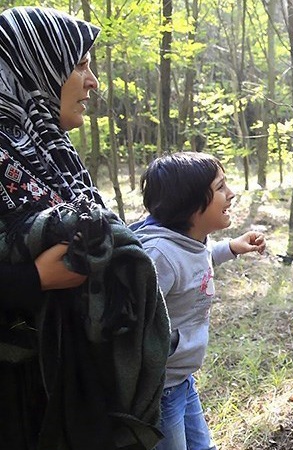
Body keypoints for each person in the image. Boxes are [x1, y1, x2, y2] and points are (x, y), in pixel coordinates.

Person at [0, 7, 170, 450]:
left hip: (71, 389)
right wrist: (32, 281)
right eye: (79, 65)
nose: (93, 81)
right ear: (31, 68)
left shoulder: (51, 153)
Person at [132, 152, 266, 450]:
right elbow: (132, 322)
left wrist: (231, 247)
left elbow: (196, 262)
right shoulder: (160, 256)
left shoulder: (189, 240)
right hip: (160, 391)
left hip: (181, 379)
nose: (231, 194)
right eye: (220, 188)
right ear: (191, 204)